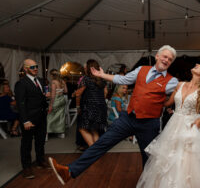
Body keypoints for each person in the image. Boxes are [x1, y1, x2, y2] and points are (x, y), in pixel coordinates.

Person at [48, 45, 179, 185]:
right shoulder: (142, 70)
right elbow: (123, 80)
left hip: (148, 124)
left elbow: (183, 94)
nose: (166, 60)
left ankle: (151, 185)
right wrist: (102, 75)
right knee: (101, 143)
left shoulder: (172, 81)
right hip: (128, 119)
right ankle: (70, 172)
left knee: (149, 159)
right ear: (157, 56)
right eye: (165, 56)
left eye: (170, 59)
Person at [137, 64, 200, 187]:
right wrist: (150, 96)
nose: (197, 64)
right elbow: (167, 103)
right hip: (173, 127)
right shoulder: (180, 84)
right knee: (168, 160)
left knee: (188, 162)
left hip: (191, 128)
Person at [15, 59, 50, 179]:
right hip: (29, 118)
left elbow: (40, 97)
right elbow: (21, 103)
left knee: (40, 141)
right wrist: (25, 120)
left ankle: (40, 161)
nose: (35, 68)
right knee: (26, 144)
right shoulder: (21, 83)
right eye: (32, 67)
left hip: (41, 116)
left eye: (36, 66)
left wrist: (46, 97)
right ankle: (27, 168)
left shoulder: (40, 80)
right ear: (25, 69)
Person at [77, 59, 107, 147]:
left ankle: (93, 151)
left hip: (90, 108)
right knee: (94, 130)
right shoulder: (102, 79)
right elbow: (105, 92)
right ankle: (96, 150)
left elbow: (78, 93)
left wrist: (78, 106)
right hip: (101, 108)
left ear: (88, 68)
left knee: (82, 129)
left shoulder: (86, 79)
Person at [47, 69, 68, 138]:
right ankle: (61, 133)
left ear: (52, 75)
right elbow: (66, 91)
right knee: (60, 116)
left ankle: (47, 132)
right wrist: (60, 90)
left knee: (50, 115)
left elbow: (53, 95)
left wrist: (50, 105)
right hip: (62, 100)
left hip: (56, 100)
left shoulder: (53, 82)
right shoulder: (62, 81)